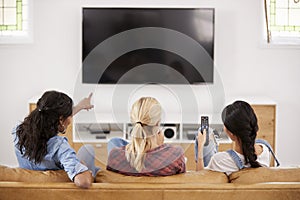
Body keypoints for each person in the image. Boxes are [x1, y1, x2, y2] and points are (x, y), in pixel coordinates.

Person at [12, 90, 99, 189]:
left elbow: (51, 118)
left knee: (94, 165)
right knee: (88, 150)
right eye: (69, 116)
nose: (70, 119)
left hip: (31, 190)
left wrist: (79, 106)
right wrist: (84, 168)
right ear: (61, 120)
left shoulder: (18, 132)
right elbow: (83, 182)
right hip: (63, 192)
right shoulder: (60, 147)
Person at [106, 97, 186, 176]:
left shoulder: (115, 155)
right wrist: (160, 147)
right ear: (157, 123)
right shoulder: (176, 155)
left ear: (133, 121)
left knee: (114, 141)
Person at [196, 100, 273, 175]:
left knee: (206, 133)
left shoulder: (219, 160)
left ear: (232, 134)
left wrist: (200, 147)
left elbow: (201, 179)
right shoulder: (266, 149)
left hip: (220, 166)